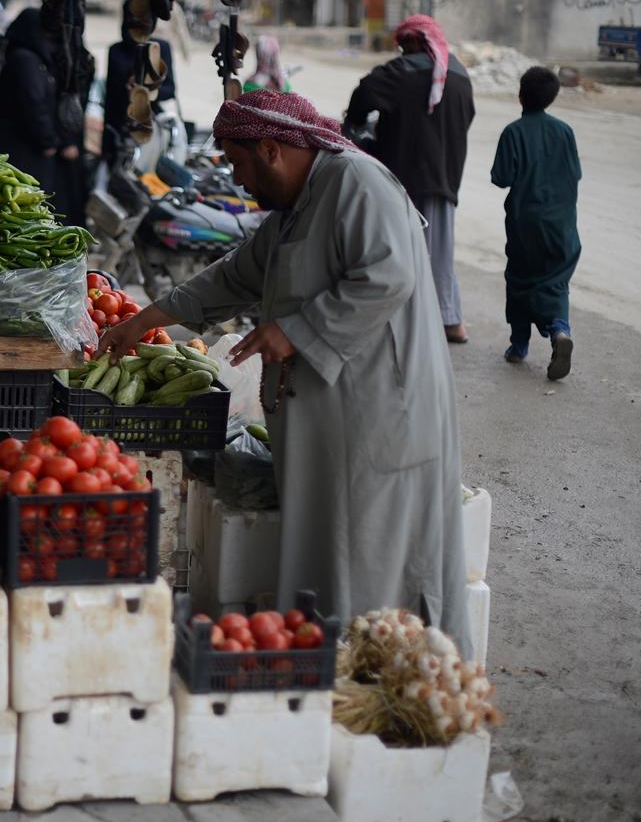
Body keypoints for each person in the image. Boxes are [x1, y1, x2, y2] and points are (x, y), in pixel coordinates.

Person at [96, 89, 470, 652]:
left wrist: (295, 329)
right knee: (335, 562)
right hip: (334, 425)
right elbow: (231, 276)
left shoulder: (357, 185)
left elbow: (389, 278)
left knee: (376, 566)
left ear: (271, 149)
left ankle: (389, 678)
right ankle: (332, 667)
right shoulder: (298, 206)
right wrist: (139, 321)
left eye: (238, 162)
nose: (237, 178)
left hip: (382, 419)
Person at [343, 14, 475, 345]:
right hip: (445, 174)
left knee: (400, 250)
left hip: (405, 175)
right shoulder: (458, 72)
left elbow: (365, 92)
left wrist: (358, 124)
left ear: (417, 41)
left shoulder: (404, 71)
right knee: (440, 250)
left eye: (404, 45)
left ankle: (411, 323)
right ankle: (450, 320)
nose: (402, 51)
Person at [490, 66, 581, 380]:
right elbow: (574, 174)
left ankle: (519, 345)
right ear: (552, 98)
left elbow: (501, 178)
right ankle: (559, 331)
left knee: (520, 278)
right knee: (555, 281)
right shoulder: (565, 131)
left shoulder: (514, 132)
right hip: (563, 224)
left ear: (520, 95)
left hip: (525, 223)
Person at [0, 5, 89, 225]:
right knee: (24, 211)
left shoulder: (26, 58)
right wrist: (49, 141)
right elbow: (33, 103)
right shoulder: (25, 60)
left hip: (21, 144)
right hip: (23, 147)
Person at [102, 0, 176, 170]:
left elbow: (170, 90)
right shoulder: (116, 51)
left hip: (152, 129)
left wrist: (146, 92)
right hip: (122, 127)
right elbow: (110, 99)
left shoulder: (160, 48)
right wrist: (106, 145)